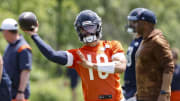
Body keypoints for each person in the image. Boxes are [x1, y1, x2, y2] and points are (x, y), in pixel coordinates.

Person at [23, 10, 127, 101]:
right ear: (79, 31)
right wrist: (34, 35)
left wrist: (92, 65)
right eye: (83, 29)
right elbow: (52, 55)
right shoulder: (78, 55)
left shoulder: (113, 45)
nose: (87, 32)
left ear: (98, 27)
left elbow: (121, 67)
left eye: (90, 28)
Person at [128, 8, 174, 101]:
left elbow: (169, 67)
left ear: (145, 23)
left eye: (137, 22)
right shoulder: (145, 40)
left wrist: (164, 93)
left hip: (156, 96)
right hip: (144, 96)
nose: (134, 25)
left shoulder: (157, 41)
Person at [0, 18, 32, 101]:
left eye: (3, 32)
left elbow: (25, 71)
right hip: (9, 93)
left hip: (18, 95)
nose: (3, 35)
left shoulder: (23, 47)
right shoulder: (10, 46)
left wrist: (21, 92)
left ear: (6, 32)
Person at [123, 8, 143, 101]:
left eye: (134, 22)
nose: (131, 24)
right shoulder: (136, 40)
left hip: (137, 89)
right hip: (129, 87)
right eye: (130, 21)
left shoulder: (144, 42)